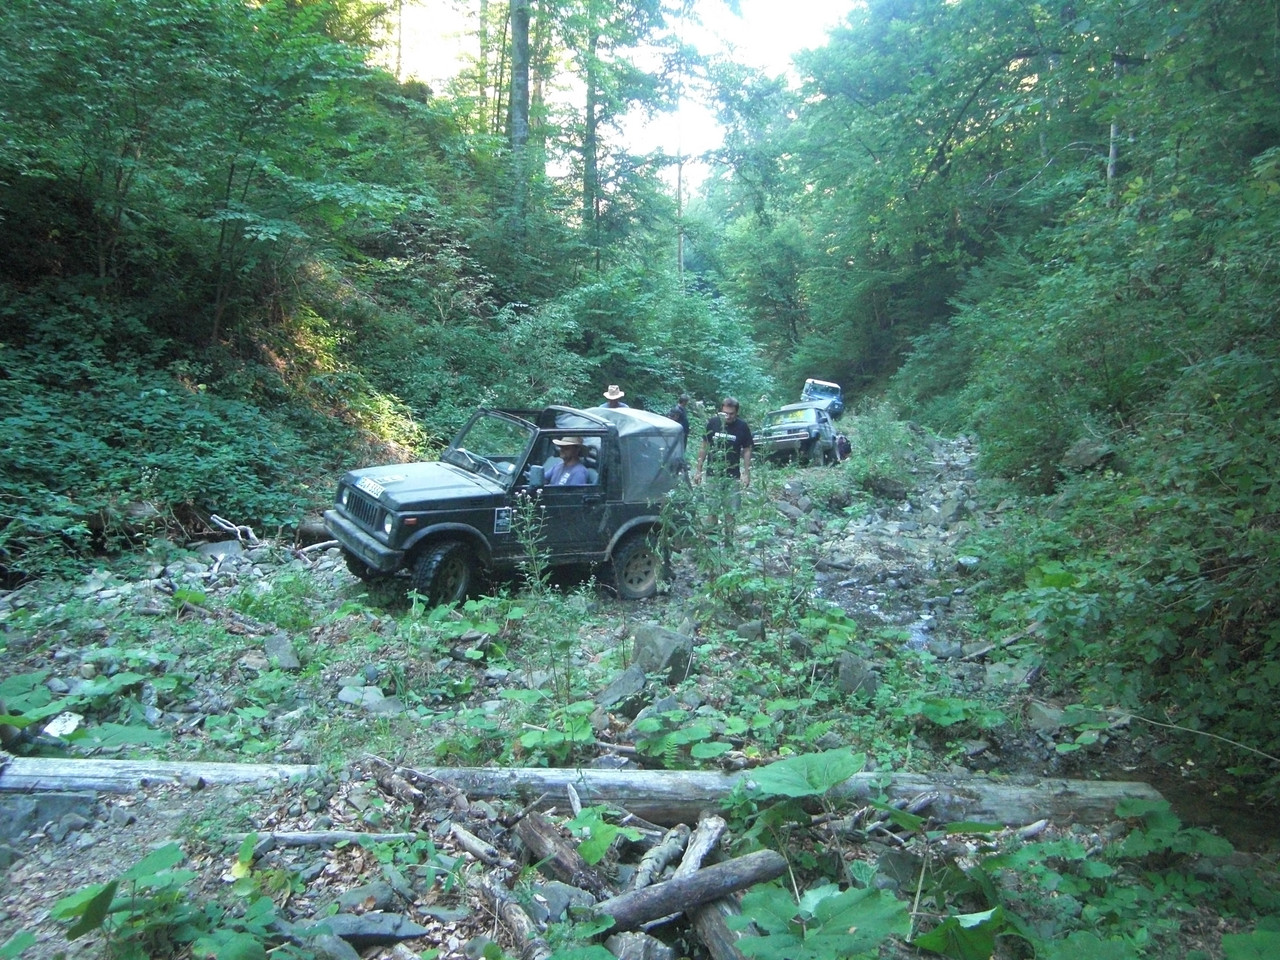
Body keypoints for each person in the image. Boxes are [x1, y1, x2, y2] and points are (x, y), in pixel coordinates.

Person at [696, 397, 753, 500]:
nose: (728, 416)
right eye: (725, 413)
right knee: (712, 506)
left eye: (731, 414)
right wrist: (698, 470)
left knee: (732, 507)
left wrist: (746, 473)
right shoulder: (712, 423)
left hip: (732, 475)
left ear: (737, 412)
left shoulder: (742, 426)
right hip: (713, 474)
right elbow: (704, 446)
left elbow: (747, 450)